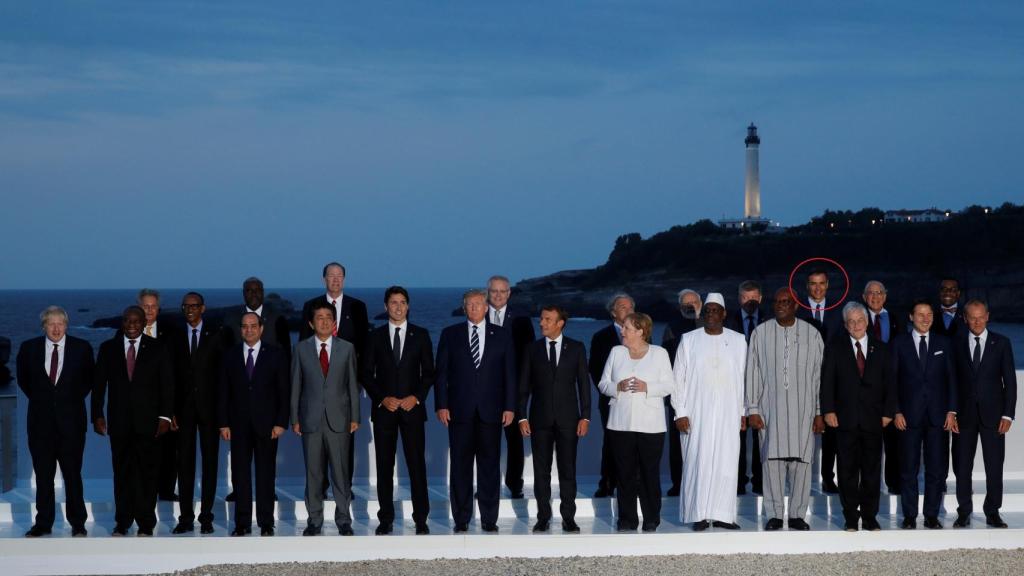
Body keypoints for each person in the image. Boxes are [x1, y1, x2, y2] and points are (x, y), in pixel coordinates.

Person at [435, 289, 516, 533]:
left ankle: (489, 519)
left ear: (486, 307)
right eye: (469, 304)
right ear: (464, 308)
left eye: (478, 304)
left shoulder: (502, 335)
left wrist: (510, 406)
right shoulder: (450, 334)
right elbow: (441, 374)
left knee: (489, 467)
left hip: (492, 411)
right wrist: (441, 405)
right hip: (459, 411)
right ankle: (461, 518)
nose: (474, 308)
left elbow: (510, 374)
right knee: (460, 467)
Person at [745, 288, 824, 531]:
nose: (781, 305)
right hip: (770, 410)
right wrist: (752, 408)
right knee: (772, 462)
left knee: (802, 463)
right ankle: (775, 514)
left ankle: (798, 514)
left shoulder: (812, 334)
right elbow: (752, 372)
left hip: (804, 411)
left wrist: (819, 411)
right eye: (777, 301)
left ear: (796, 305)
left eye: (786, 301)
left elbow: (819, 375)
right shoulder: (760, 333)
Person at [92, 306, 174, 536]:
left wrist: (165, 416)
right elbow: (99, 385)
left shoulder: (158, 348)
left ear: (143, 323)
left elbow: (167, 385)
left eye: (136, 321)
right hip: (119, 423)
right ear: (123, 322)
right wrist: (97, 415)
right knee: (122, 474)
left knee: (148, 474)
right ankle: (123, 522)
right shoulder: (108, 348)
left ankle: (146, 523)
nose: (131, 325)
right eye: (128, 320)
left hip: (149, 423)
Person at [361, 286, 435, 535]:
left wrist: (417, 397)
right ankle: (386, 519)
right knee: (384, 467)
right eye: (393, 302)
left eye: (403, 302)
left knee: (416, 466)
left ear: (408, 306)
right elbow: (365, 373)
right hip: (385, 412)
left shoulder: (421, 335)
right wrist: (382, 398)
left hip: (412, 411)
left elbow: (429, 373)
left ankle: (421, 519)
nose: (398, 307)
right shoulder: (374, 336)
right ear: (385, 306)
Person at [17, 306, 95, 537]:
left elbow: (88, 381)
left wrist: (65, 401)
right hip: (40, 425)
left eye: (60, 323)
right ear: (44, 326)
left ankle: (78, 523)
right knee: (43, 477)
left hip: (72, 424)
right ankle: (43, 523)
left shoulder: (82, 348)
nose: (56, 328)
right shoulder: (28, 348)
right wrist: (46, 401)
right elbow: (24, 381)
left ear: (66, 325)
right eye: (51, 323)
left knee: (73, 475)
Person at [672, 293, 747, 531]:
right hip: (696, 412)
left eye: (715, 310)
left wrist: (743, 411)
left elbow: (744, 378)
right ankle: (700, 514)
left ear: (724, 314)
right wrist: (680, 412)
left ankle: (724, 514)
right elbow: (678, 378)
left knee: (727, 462)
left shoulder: (738, 340)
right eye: (707, 311)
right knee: (698, 461)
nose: (711, 314)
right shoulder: (688, 340)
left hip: (729, 411)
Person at [820, 302, 896, 532]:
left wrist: (888, 413)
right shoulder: (835, 348)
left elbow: (890, 384)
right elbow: (827, 382)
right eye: (851, 322)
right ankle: (851, 517)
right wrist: (828, 410)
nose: (856, 325)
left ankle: (870, 517)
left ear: (867, 322)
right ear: (845, 325)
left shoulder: (882, 349)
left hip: (874, 419)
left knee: (872, 471)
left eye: (860, 320)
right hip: (845, 420)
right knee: (847, 471)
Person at [298, 262, 369, 499]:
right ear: (324, 279)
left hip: (345, 385)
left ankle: (344, 487)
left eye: (339, 276)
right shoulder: (311, 306)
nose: (336, 280)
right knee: (317, 443)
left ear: (344, 279)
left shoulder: (357, 306)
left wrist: (359, 381)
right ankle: (320, 487)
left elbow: (364, 346)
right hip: (316, 386)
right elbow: (303, 345)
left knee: (345, 438)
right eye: (331, 276)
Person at [518, 305, 590, 533]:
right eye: (541, 319)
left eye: (547, 319)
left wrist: (585, 417)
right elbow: (523, 387)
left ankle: (568, 517)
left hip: (569, 419)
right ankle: (543, 517)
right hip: (539, 420)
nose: (542, 323)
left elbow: (584, 385)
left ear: (560, 323)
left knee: (568, 470)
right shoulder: (532, 349)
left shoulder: (576, 348)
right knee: (541, 471)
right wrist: (522, 417)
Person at [599, 312, 673, 532]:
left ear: (641, 331)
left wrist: (647, 387)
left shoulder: (659, 353)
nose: (622, 331)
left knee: (649, 473)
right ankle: (627, 519)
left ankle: (651, 518)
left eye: (627, 328)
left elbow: (669, 385)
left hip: (651, 425)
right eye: (623, 327)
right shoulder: (616, 352)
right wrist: (617, 387)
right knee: (624, 473)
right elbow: (603, 384)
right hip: (620, 423)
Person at [291, 301, 360, 536]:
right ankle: (314, 520)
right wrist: (294, 418)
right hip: (310, 419)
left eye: (328, 317)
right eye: (319, 318)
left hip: (340, 419)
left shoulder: (347, 348)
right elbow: (295, 385)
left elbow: (352, 385)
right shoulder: (301, 349)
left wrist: (355, 416)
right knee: (314, 473)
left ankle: (344, 520)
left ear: (334, 323)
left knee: (341, 472)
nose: (324, 321)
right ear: (311, 323)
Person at [218, 312, 289, 536]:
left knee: (266, 474)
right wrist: (223, 423)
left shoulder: (276, 354)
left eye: (253, 326)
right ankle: (242, 523)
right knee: (240, 475)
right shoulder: (229, 355)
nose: (249, 330)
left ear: (261, 328)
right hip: (238, 425)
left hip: (267, 425)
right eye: (245, 326)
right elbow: (223, 391)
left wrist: (281, 422)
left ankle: (266, 522)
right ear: (240, 329)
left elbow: (284, 391)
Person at [891, 300, 957, 529]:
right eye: (920, 314)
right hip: (907, 417)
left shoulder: (944, 343)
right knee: (908, 469)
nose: (925, 318)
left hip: (938, 416)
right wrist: (896, 411)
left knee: (936, 469)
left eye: (929, 314)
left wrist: (952, 410)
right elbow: (892, 381)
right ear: (911, 317)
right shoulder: (899, 343)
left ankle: (931, 515)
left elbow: (952, 379)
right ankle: (909, 516)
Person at [952, 300, 1016, 529]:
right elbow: (952, 380)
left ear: (987, 316)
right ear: (965, 318)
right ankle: (964, 512)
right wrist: (951, 411)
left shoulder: (1002, 343)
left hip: (994, 416)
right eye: (972, 317)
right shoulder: (956, 343)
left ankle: (993, 511)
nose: (977, 322)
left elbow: (1010, 381)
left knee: (994, 466)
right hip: (963, 416)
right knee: (962, 467)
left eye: (981, 317)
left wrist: (1008, 415)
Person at [171, 292, 227, 535]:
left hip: (210, 411)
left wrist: (223, 414)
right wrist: (170, 411)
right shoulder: (174, 336)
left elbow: (223, 377)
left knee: (210, 464)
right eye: (186, 306)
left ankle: (206, 517)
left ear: (203, 308)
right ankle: (185, 518)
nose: (190, 309)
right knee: (184, 465)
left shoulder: (217, 335)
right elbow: (170, 376)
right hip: (182, 411)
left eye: (194, 306)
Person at [486, 274, 535, 499]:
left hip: (514, 391)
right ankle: (488, 485)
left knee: (514, 440)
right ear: (488, 293)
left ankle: (515, 484)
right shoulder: (478, 315)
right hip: (484, 390)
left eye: (502, 291)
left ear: (509, 293)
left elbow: (529, 357)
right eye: (494, 291)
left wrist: (525, 389)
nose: (498, 295)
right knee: (487, 441)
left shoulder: (522, 320)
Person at [795, 268, 843, 494]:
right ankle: (799, 479)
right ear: (807, 286)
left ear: (827, 285)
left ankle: (828, 478)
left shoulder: (839, 311)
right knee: (801, 431)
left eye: (821, 283)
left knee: (831, 432)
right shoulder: (797, 310)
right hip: (802, 378)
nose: (817, 288)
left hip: (832, 379)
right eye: (813, 283)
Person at [588, 293, 634, 498]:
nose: (628, 311)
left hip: (636, 400)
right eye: (623, 307)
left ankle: (632, 482)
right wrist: (611, 390)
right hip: (610, 400)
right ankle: (607, 482)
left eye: (631, 307)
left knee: (634, 442)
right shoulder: (601, 337)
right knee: (611, 441)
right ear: (613, 312)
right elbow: (595, 369)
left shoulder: (642, 335)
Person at [138, 288, 180, 503]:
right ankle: (144, 490)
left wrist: (172, 409)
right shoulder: (125, 331)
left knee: (168, 450)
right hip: (139, 404)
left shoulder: (172, 333)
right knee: (141, 451)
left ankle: (166, 490)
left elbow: (178, 370)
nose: (149, 310)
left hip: (166, 401)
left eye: (153, 306)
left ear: (159, 308)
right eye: (145, 306)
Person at [727, 280, 767, 496]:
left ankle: (760, 481)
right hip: (736, 386)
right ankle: (739, 482)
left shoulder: (770, 319)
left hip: (763, 387)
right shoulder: (728, 322)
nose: (749, 301)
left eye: (753, 297)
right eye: (745, 297)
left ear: (760, 298)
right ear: (739, 299)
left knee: (761, 435)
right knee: (737, 437)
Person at [863, 280, 903, 494]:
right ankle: (869, 484)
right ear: (864, 297)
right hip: (867, 387)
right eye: (871, 293)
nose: (875, 297)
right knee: (868, 441)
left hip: (892, 385)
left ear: (885, 296)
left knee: (893, 439)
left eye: (879, 293)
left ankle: (894, 482)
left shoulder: (896, 318)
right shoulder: (858, 318)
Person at [661, 288, 701, 497]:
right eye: (686, 303)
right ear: (679, 307)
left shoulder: (709, 326)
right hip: (678, 393)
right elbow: (666, 361)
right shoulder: (672, 328)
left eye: (693, 302)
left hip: (703, 393)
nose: (690, 306)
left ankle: (700, 483)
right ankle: (678, 483)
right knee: (677, 443)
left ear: (700, 303)